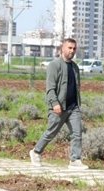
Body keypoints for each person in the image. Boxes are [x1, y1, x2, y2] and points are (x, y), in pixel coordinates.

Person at [29, 37, 87, 170]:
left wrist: (78, 103)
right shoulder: (54, 65)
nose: (72, 51)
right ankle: (36, 152)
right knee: (51, 132)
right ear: (63, 48)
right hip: (59, 107)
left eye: (74, 48)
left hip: (73, 107)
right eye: (70, 48)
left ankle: (75, 160)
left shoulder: (75, 67)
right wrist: (55, 103)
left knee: (77, 133)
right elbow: (50, 88)